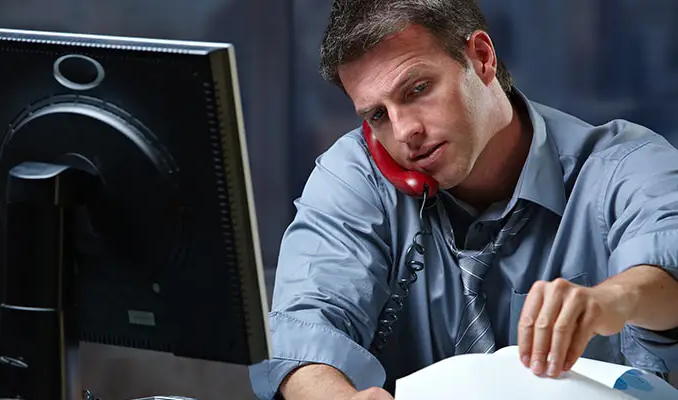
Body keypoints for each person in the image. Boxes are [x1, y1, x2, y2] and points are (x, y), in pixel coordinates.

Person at [248, 1, 678, 399]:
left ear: (482, 58)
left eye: (417, 89)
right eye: (377, 114)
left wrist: (613, 300)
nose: (403, 132)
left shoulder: (623, 164)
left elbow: (667, 261)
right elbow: (301, 328)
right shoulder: (357, 173)